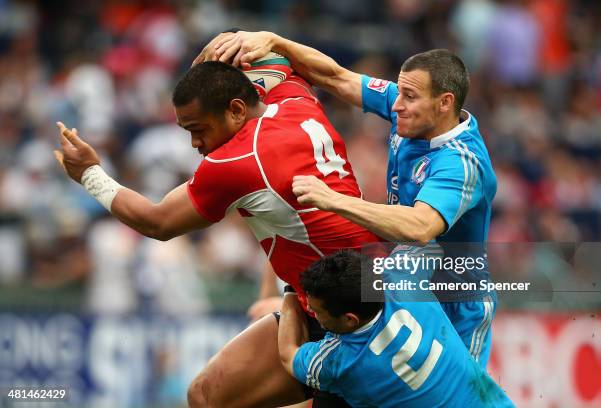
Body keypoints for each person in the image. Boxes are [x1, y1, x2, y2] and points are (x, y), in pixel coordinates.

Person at [54, 60, 380, 407]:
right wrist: (243, 42)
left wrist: (90, 174)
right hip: (350, 287)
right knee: (205, 395)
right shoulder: (295, 100)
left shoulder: (239, 160)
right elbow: (280, 66)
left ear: (237, 110)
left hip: (351, 313)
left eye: (199, 129)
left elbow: (156, 222)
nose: (195, 143)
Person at [205, 31, 498, 367]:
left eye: (409, 96)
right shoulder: (413, 112)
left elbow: (421, 226)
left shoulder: (460, 163)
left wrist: (332, 199)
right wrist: (275, 42)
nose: (396, 103)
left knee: (455, 398)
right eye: (399, 92)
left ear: (444, 102)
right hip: (403, 285)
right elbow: (335, 76)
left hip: (455, 304)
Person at [279, 249, 514, 407]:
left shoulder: (338, 362)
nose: (310, 309)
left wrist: (290, 296)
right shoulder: (403, 277)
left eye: (317, 311)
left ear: (350, 319)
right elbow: (426, 237)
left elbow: (288, 355)